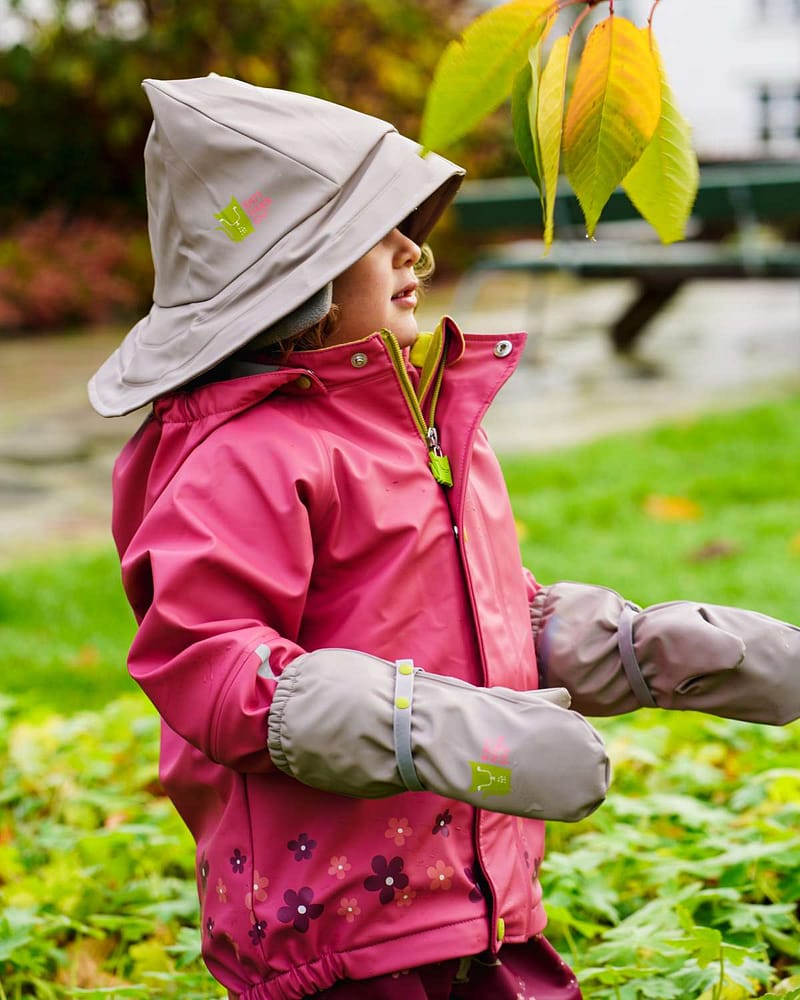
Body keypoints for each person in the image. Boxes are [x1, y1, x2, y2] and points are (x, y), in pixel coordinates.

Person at [89, 76, 800, 1000]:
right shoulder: (243, 458)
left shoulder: (418, 423)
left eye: (407, 222)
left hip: (482, 899)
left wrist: (630, 649)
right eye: (374, 232)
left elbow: (464, 615)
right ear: (286, 276)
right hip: (339, 927)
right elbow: (209, 666)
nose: (413, 248)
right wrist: (425, 728)